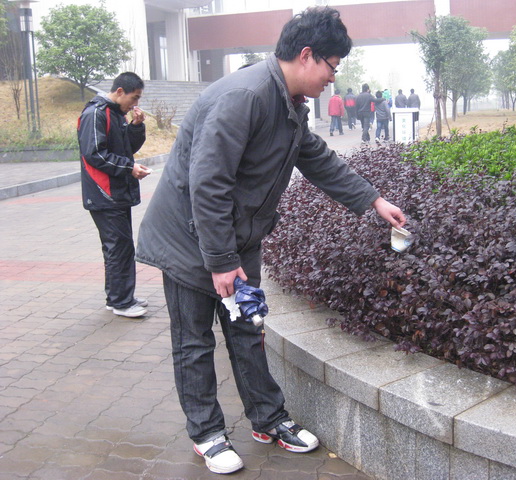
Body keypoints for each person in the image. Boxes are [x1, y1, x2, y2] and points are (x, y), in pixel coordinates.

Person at [135, 7, 405, 476]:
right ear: (307, 55)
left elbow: (315, 156)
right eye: (332, 67)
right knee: (194, 341)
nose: (333, 79)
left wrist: (372, 200)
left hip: (235, 237)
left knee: (247, 328)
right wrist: (221, 260)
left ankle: (268, 419)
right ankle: (207, 433)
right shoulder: (244, 96)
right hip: (188, 239)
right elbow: (207, 184)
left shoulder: (288, 103)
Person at [77, 72, 151, 318]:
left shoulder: (115, 114)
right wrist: (129, 168)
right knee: (118, 247)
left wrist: (136, 127)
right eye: (134, 98)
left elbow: (127, 149)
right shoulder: (95, 114)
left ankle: (118, 296)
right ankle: (121, 302)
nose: (135, 103)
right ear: (120, 91)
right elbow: (95, 154)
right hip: (104, 193)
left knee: (119, 247)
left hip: (116, 193)